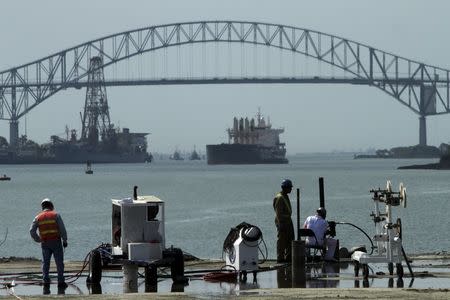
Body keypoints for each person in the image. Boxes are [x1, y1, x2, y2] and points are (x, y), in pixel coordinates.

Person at [30, 198, 68, 288]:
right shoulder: (56, 215)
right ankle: (61, 282)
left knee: (45, 263)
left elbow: (31, 231)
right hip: (56, 242)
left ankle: (45, 281)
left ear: (42, 206)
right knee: (59, 262)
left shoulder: (38, 217)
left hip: (45, 243)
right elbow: (62, 229)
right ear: (51, 206)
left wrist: (38, 240)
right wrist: (65, 240)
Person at [273, 179, 295, 263]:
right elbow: (278, 213)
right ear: (285, 188)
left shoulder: (285, 196)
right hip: (282, 222)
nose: (291, 189)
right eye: (290, 187)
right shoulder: (279, 198)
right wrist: (281, 223)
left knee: (290, 239)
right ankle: (280, 258)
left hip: (288, 221)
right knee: (282, 240)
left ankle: (288, 257)